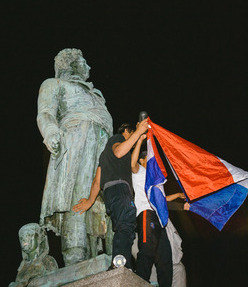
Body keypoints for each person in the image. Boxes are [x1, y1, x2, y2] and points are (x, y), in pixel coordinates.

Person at [37, 48, 113, 265]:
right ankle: (75, 253)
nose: (88, 67)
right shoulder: (55, 84)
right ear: (70, 65)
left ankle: (102, 251)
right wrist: (50, 132)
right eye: (84, 62)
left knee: (105, 198)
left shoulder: (96, 95)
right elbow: (45, 113)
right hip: (76, 137)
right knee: (77, 194)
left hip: (103, 143)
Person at [73, 120, 149, 270]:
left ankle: (120, 263)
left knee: (123, 227)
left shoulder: (104, 155)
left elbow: (97, 180)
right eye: (132, 133)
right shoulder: (118, 139)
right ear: (126, 131)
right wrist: (139, 132)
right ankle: (120, 264)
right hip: (120, 190)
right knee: (126, 225)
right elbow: (120, 151)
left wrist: (90, 201)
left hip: (110, 194)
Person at [130, 135, 173, 286]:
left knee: (165, 259)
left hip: (160, 219)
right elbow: (132, 164)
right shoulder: (139, 171)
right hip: (146, 214)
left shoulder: (155, 178)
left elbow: (162, 198)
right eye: (149, 157)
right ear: (142, 160)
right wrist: (140, 140)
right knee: (147, 250)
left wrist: (179, 197)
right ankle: (140, 282)